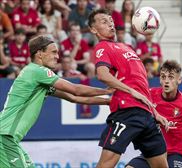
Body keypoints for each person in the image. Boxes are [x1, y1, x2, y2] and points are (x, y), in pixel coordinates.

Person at [0, 35, 113, 168]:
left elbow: (74, 98)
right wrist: (107, 91)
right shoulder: (38, 71)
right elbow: (75, 90)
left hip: (8, 138)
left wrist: (108, 101)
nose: (57, 57)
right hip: (5, 137)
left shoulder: (37, 77)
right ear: (40, 54)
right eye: (53, 52)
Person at [88, 9, 169, 168]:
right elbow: (103, 75)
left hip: (146, 114)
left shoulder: (127, 47)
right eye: (104, 21)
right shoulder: (102, 47)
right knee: (106, 164)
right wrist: (131, 91)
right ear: (93, 29)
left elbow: (141, 84)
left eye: (111, 20)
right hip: (127, 112)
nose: (110, 23)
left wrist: (155, 112)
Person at [126, 60, 182, 168]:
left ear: (179, 80)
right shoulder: (149, 96)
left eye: (170, 77)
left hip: (175, 155)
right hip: (152, 152)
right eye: (163, 77)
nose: (166, 81)